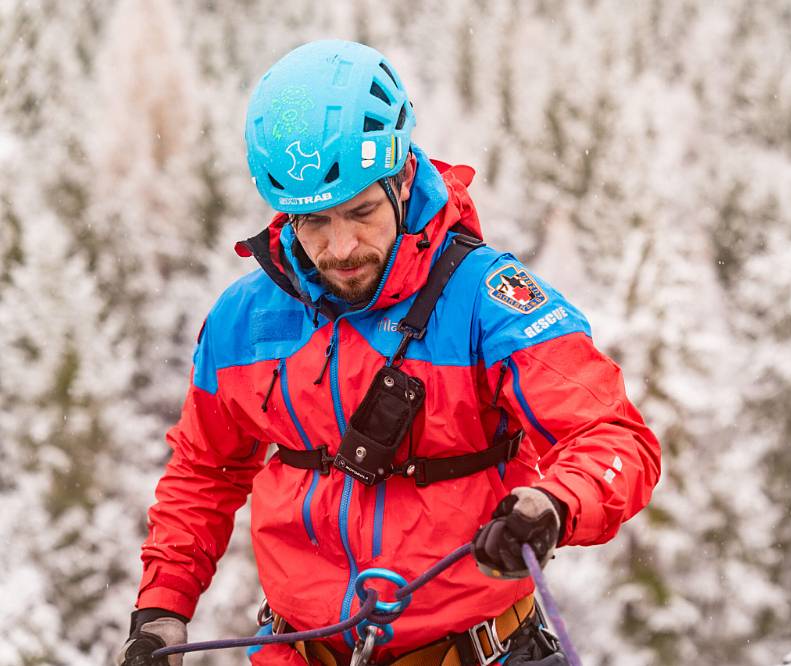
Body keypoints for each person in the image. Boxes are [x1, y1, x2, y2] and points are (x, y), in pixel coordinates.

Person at [117, 40, 661, 666]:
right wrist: (163, 608)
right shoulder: (244, 321)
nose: (341, 246)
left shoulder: (487, 298)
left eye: (361, 211)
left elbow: (616, 438)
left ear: (402, 177)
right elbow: (204, 473)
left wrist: (554, 504)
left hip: (481, 652)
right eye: (312, 221)